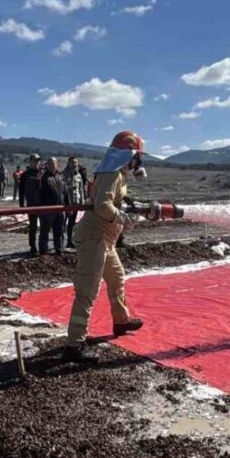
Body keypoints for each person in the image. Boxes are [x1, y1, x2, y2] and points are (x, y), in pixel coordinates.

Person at [63, 131, 147, 363]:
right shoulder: (111, 174)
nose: (138, 162)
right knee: (87, 291)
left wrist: (127, 207)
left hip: (105, 240)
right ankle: (74, 344)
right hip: (94, 239)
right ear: (128, 154)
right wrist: (122, 218)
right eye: (137, 157)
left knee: (116, 277)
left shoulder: (118, 173)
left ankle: (121, 321)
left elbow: (113, 201)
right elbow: (102, 206)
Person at [38, 157, 69, 255]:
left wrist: (68, 206)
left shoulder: (61, 176)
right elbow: (37, 191)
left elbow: (66, 192)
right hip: (47, 210)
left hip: (60, 209)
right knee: (44, 231)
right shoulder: (43, 177)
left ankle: (59, 250)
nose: (51, 166)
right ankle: (43, 251)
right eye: (49, 164)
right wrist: (39, 179)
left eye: (53, 163)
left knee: (59, 231)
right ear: (46, 165)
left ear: (57, 164)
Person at [18, 153, 43, 256]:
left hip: (43, 204)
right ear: (30, 162)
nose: (37, 162)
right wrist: (21, 205)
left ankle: (42, 246)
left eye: (38, 160)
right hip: (31, 204)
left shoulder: (43, 173)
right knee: (33, 226)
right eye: (35, 160)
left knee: (44, 226)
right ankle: (33, 247)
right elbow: (21, 191)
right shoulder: (25, 174)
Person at [63, 156, 87, 248]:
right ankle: (60, 242)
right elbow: (61, 188)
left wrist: (82, 201)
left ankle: (69, 241)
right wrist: (69, 188)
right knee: (63, 223)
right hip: (66, 203)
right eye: (72, 162)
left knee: (72, 223)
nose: (74, 164)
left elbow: (81, 189)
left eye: (75, 162)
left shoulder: (78, 175)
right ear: (68, 163)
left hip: (75, 202)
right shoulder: (63, 174)